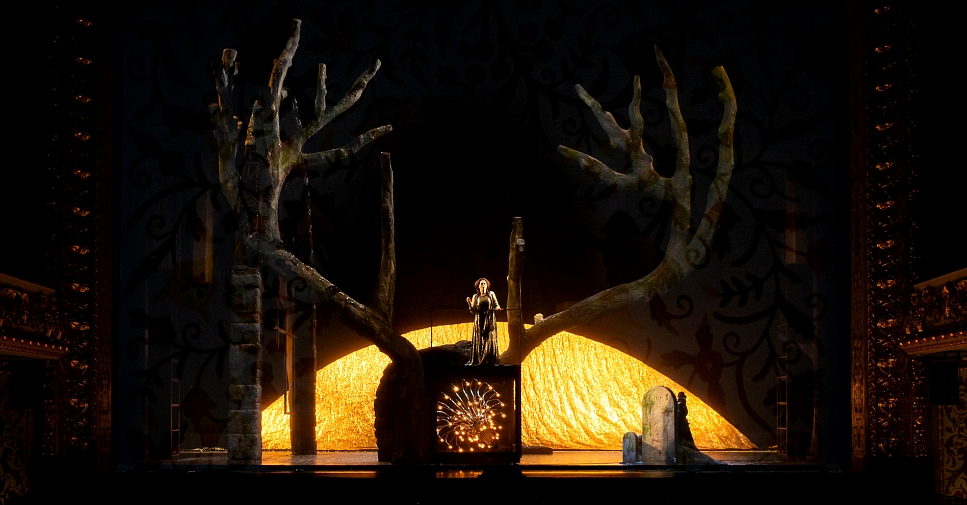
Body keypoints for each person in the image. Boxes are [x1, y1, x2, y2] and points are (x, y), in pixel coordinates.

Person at [466, 277, 502, 365]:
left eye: (484, 283)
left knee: (489, 338)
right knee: (479, 339)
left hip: (489, 320)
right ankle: (479, 359)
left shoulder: (491, 294)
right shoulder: (475, 296)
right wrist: (470, 304)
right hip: (479, 320)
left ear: (487, 286)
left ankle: (489, 360)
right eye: (481, 284)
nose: (483, 285)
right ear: (478, 286)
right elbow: (473, 310)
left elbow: (496, 305)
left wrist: (497, 308)